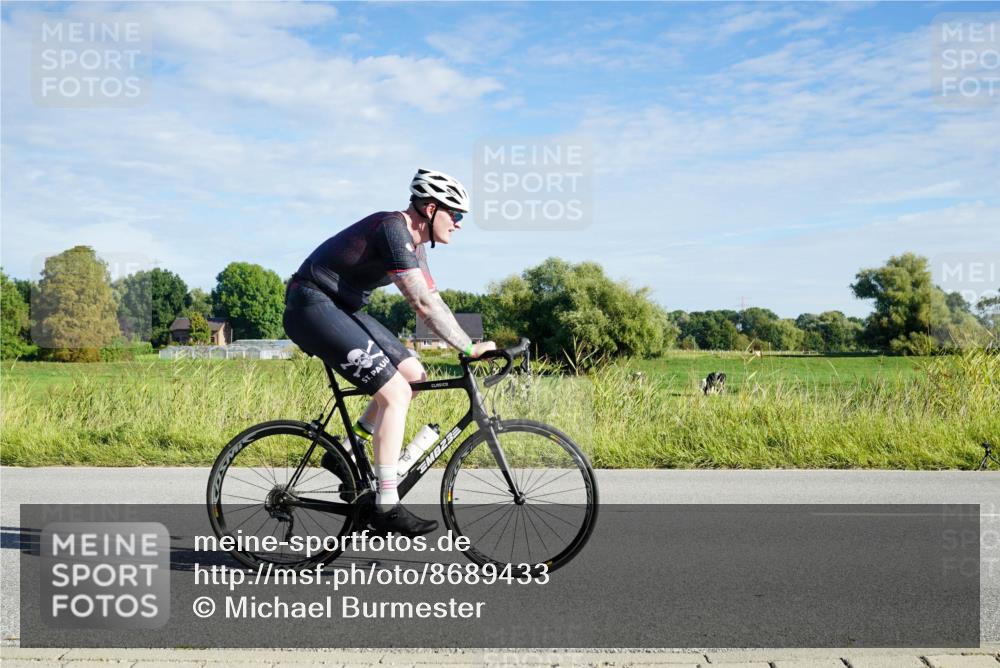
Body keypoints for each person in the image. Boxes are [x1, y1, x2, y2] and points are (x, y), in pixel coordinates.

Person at [283, 169, 496, 537]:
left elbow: (433, 300)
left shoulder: (415, 246)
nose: (459, 223)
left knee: (414, 376)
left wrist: (468, 344)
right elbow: (421, 304)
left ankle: (348, 450)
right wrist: (467, 347)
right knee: (395, 393)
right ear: (431, 209)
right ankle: (386, 503)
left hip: (341, 307)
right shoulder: (392, 230)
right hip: (311, 304)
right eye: (456, 214)